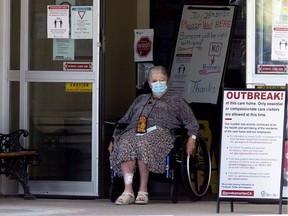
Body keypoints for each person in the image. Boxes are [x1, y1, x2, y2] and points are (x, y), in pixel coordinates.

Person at [108, 65, 199, 205]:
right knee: (125, 142)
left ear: (167, 82)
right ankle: (128, 190)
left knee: (143, 142)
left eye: (161, 80)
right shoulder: (140, 100)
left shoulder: (177, 101)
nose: (158, 84)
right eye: (154, 81)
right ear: (149, 83)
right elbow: (123, 121)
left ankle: (143, 190)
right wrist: (114, 138)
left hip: (162, 133)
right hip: (134, 131)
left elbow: (192, 123)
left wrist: (192, 139)